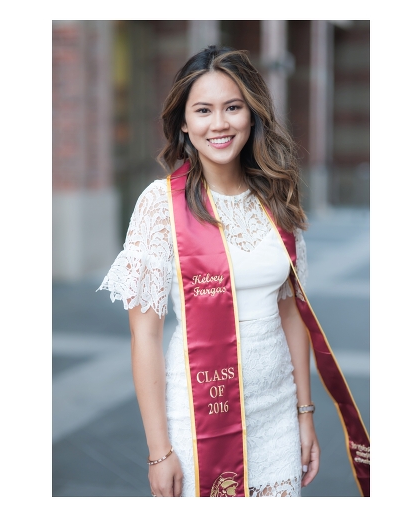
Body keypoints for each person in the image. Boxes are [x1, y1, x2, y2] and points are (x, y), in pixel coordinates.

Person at [98, 46, 368, 497]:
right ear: (184, 122)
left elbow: (291, 313)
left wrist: (305, 414)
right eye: (203, 110)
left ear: (252, 114)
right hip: (200, 414)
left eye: (233, 107)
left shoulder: (275, 198)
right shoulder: (161, 205)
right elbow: (144, 336)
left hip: (277, 413)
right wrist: (159, 450)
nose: (219, 124)